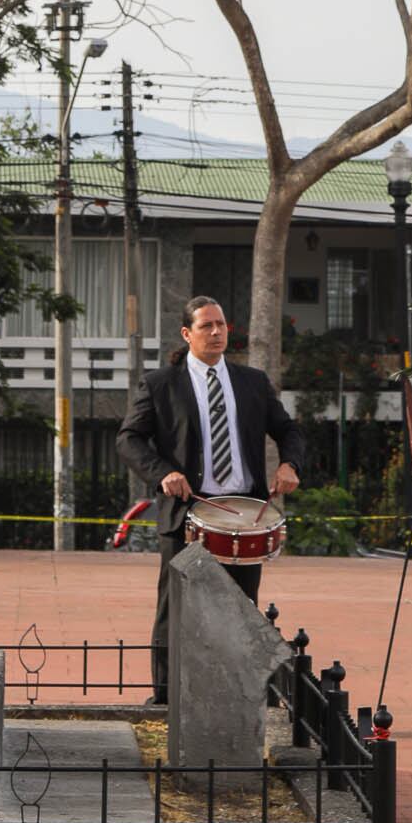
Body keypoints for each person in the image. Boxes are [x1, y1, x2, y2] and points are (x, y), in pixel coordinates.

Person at [117, 293, 305, 706]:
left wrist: (290, 465)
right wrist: (162, 472)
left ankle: (241, 698)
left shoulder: (252, 382)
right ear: (187, 334)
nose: (217, 332)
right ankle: (166, 701)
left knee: (242, 611)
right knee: (176, 612)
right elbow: (129, 439)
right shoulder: (161, 384)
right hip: (186, 515)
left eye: (221, 324)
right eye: (207, 326)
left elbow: (289, 430)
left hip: (243, 515)